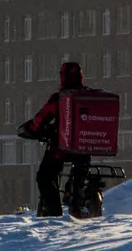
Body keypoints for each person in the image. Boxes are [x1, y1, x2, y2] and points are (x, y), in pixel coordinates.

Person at [16, 60, 94, 217]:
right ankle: (76, 198)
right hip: (85, 148)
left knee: (44, 177)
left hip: (61, 149)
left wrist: (31, 129)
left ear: (63, 77)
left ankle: (54, 213)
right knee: (80, 170)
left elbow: (40, 120)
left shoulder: (60, 99)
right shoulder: (90, 96)